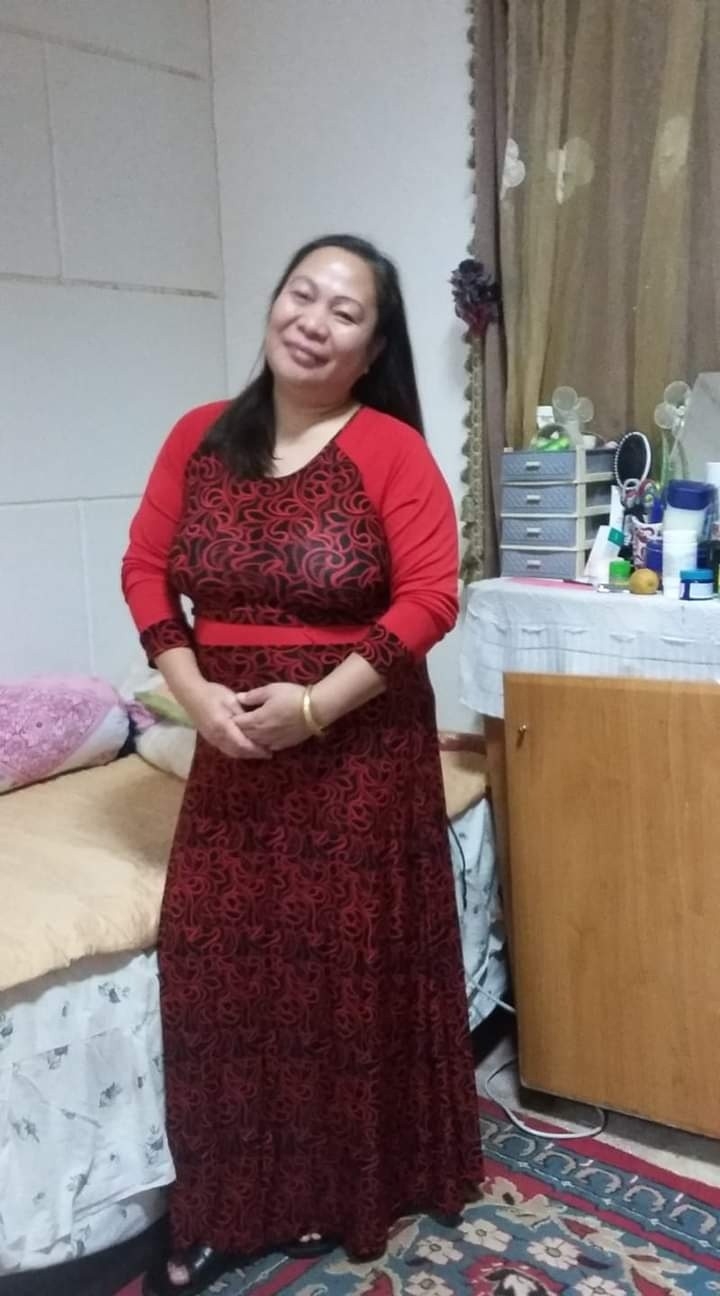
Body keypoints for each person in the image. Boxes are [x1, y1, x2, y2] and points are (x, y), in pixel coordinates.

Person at [122, 234, 482, 1296]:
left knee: (344, 971)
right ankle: (231, 1202)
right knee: (218, 968)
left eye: (345, 311)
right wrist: (195, 697)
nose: (313, 321)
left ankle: (356, 1184)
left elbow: (432, 598)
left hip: (359, 747)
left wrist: (316, 706)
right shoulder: (199, 436)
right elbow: (145, 571)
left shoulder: (390, 449)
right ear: (274, 303)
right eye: (301, 294)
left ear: (372, 347)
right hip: (233, 745)